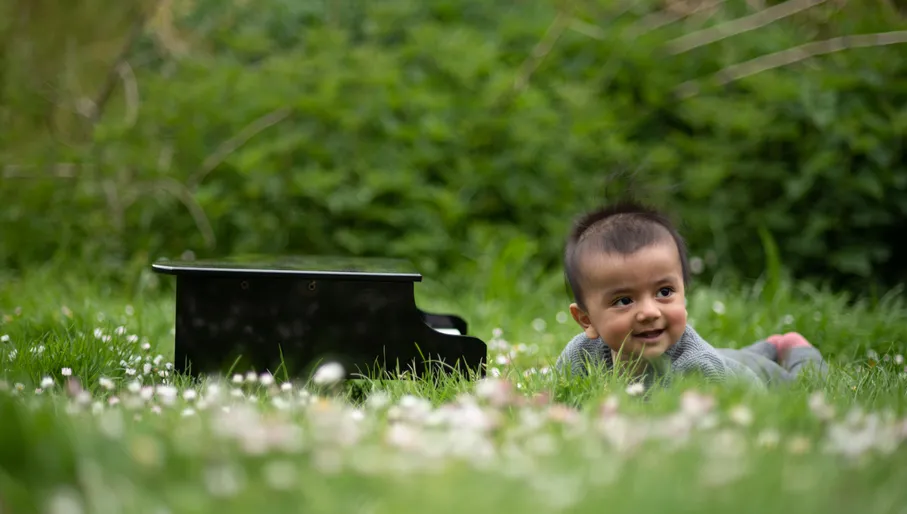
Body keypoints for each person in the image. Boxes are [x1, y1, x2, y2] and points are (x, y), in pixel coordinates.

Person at [554, 200, 828, 390]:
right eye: (624, 300)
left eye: (664, 292)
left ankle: (795, 348)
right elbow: (561, 400)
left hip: (752, 377)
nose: (650, 312)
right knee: (729, 356)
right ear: (586, 319)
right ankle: (768, 346)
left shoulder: (700, 371)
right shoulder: (580, 357)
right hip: (722, 357)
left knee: (801, 385)